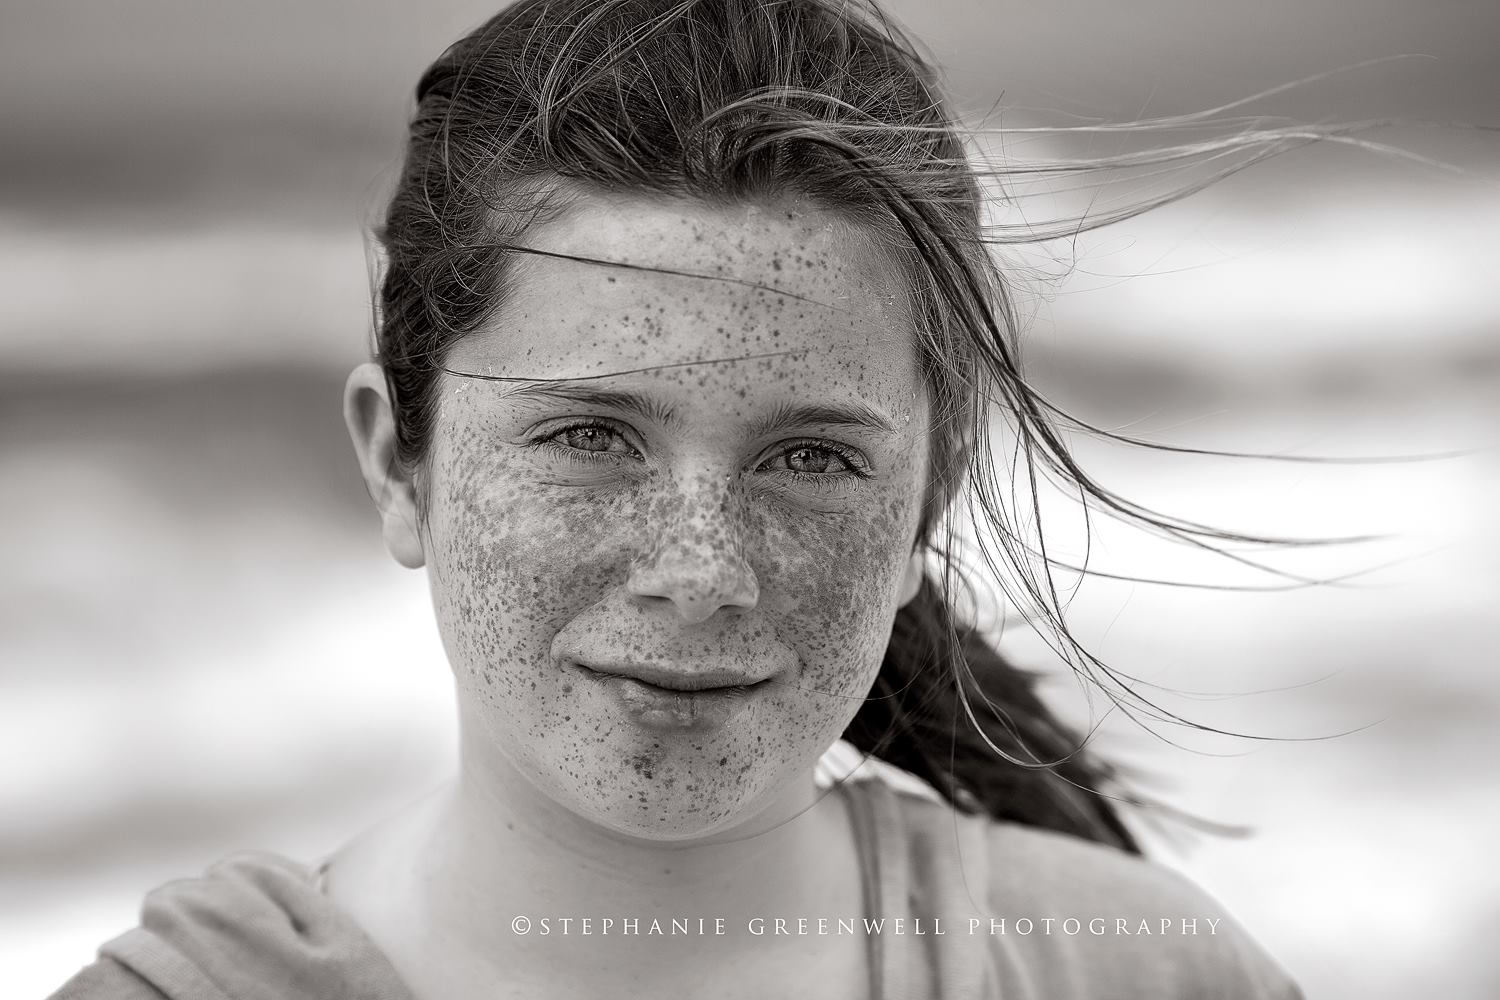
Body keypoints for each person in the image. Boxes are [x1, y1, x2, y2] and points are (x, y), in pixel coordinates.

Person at [49, 0, 1305, 996]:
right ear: (398, 463)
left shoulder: (1144, 971)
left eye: (810, 456)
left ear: (932, 495)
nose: (699, 568)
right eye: (591, 435)